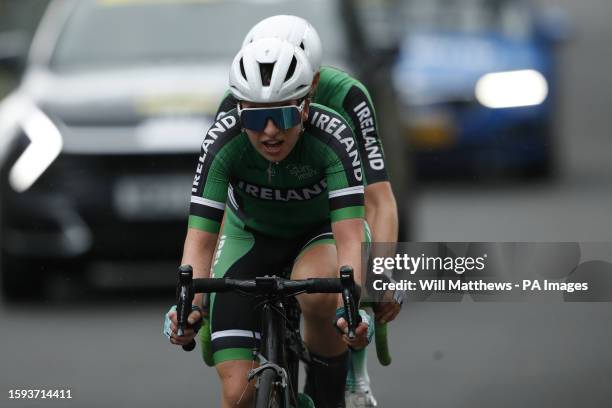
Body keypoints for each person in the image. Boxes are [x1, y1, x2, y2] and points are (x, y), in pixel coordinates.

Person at [166, 37, 372, 408]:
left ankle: (329, 395)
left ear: (306, 108)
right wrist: (187, 306)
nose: (271, 131)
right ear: (239, 110)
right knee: (237, 395)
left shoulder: (334, 137)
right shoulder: (223, 140)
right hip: (251, 237)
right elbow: (199, 241)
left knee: (324, 294)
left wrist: (350, 309)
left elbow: (351, 237)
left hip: (320, 235)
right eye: (257, 117)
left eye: (285, 115)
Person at [215, 16, 402, 407]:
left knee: (326, 288)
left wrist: (381, 274)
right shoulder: (239, 101)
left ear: (313, 82)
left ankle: (348, 372)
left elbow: (378, 198)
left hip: (327, 220)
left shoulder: (348, 95)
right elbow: (216, 188)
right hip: (260, 219)